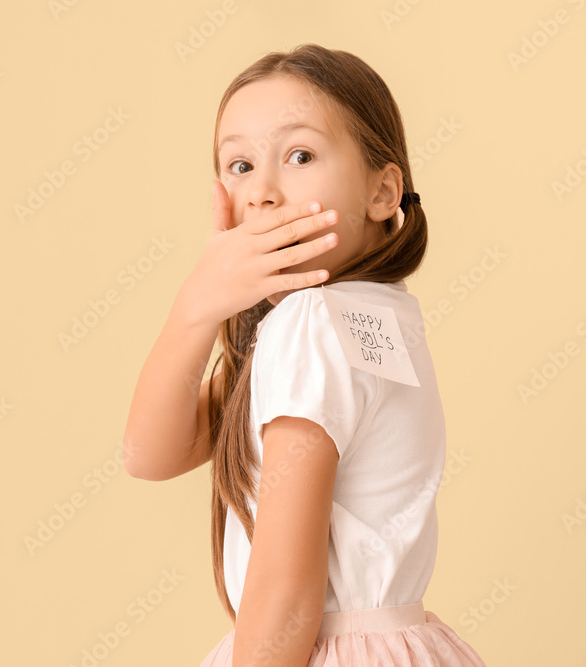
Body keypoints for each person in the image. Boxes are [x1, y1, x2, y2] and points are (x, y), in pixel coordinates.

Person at [122, 43, 487, 666]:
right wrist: (200, 307)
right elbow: (153, 453)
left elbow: (289, 593)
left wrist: (195, 303)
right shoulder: (375, 315)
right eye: (238, 165)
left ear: (382, 192)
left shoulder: (313, 321)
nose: (262, 194)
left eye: (299, 156)